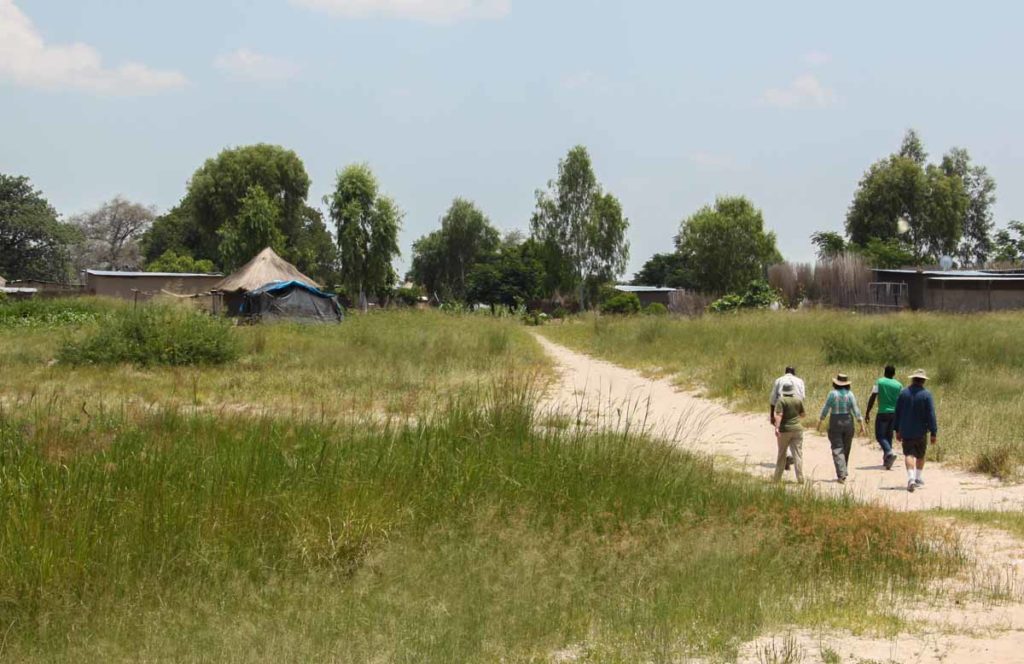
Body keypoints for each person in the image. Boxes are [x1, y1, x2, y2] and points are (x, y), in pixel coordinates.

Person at [817, 372, 866, 484]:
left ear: (836, 383)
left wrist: (820, 421)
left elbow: (826, 408)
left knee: (837, 448)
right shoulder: (850, 394)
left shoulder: (832, 394)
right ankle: (843, 471)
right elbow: (856, 410)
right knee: (846, 447)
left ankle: (841, 473)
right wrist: (861, 424)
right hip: (848, 421)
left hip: (835, 421)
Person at [894, 369, 938, 493]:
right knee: (921, 455)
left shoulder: (903, 393)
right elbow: (931, 414)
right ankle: (918, 478)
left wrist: (897, 429)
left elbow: (897, 413)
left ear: (912, 379)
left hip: (906, 430)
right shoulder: (926, 395)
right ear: (923, 380)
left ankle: (911, 478)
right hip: (921, 431)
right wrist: (933, 432)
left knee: (909, 454)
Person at [864, 365, 902, 470]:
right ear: (894, 374)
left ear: (884, 372)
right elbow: (901, 400)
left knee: (880, 436)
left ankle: (889, 452)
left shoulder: (879, 382)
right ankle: (887, 461)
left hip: (882, 412)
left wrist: (867, 412)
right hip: (894, 413)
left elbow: (873, 396)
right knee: (888, 436)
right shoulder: (899, 385)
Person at [770, 366, 805, 470]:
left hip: (781, 407)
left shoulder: (779, 380)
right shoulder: (800, 381)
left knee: (783, 431)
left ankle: (787, 455)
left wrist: (772, 415)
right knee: (793, 430)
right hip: (795, 408)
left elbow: (772, 399)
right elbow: (802, 397)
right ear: (794, 373)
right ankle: (791, 456)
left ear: (785, 372)